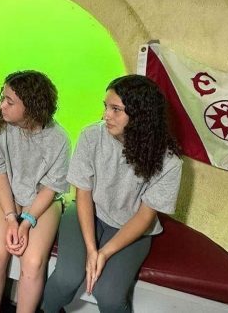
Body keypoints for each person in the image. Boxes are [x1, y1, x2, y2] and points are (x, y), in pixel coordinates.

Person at [42, 75, 182, 313]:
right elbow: (83, 194)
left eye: (116, 109)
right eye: (106, 106)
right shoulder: (91, 136)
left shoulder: (169, 161)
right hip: (88, 213)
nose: (106, 115)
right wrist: (91, 249)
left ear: (140, 115)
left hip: (132, 225)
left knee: (109, 296)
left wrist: (104, 253)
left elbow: (144, 217)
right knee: (66, 278)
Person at [0, 71, 70, 313]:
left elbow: (51, 188)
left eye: (10, 102)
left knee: (32, 262)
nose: (2, 106)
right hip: (3, 191)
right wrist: (10, 218)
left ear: (31, 108)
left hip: (42, 199)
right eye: (3, 98)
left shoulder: (59, 139)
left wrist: (26, 222)